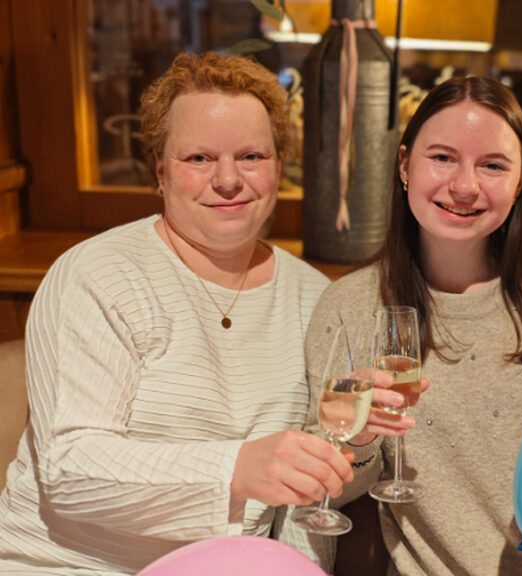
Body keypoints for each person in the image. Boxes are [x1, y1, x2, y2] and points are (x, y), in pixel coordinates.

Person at [288, 76, 522, 574]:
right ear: (404, 164)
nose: (465, 186)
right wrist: (359, 440)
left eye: (492, 165)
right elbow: (325, 492)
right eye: (442, 157)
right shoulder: (354, 306)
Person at [0, 52, 355, 574]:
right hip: (63, 565)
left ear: (279, 165)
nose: (228, 179)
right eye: (199, 158)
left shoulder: (315, 297)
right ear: (161, 171)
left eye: (251, 155)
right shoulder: (99, 274)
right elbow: (69, 471)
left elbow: (307, 496)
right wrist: (235, 469)